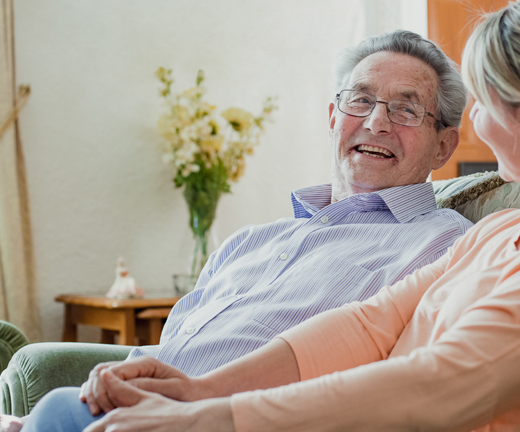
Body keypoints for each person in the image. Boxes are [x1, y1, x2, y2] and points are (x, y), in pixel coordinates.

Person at [22, 0, 520, 430]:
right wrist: (202, 393)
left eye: (478, 106)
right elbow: (368, 327)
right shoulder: (507, 230)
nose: (476, 126)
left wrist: (214, 418)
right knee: (62, 414)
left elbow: (441, 388)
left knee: (61, 417)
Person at [0, 29, 472, 432]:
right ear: (333, 118)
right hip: (136, 415)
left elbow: (398, 382)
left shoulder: (444, 244)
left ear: (443, 146)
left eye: (406, 110)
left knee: (58, 411)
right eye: (361, 100)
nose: (376, 122)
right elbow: (173, 353)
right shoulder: (250, 241)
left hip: (238, 421)